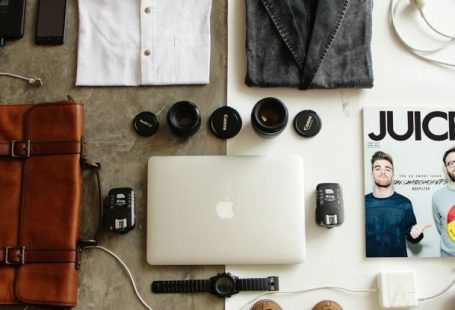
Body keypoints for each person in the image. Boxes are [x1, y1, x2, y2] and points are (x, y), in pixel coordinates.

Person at [365, 151, 430, 257]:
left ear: (393, 174)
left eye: (387, 169)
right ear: (371, 173)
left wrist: (416, 234)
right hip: (367, 266)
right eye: (377, 168)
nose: (383, 172)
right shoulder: (361, 204)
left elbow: (412, 236)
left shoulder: (404, 203)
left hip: (398, 266)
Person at [432, 147, 455, 257]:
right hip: (448, 260)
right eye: (451, 163)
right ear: (445, 168)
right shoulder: (438, 196)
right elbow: (441, 228)